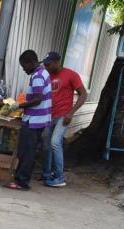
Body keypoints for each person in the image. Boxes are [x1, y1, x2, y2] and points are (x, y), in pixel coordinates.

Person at [5, 50, 52, 191]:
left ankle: (21, 181)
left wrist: (19, 105)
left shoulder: (37, 76)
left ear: (31, 62)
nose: (23, 69)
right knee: (28, 151)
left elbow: (37, 99)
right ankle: (21, 179)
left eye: (24, 65)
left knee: (27, 152)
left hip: (34, 119)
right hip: (39, 119)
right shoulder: (43, 72)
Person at [40, 51, 87, 187]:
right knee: (46, 143)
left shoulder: (71, 75)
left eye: (48, 64)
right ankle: (47, 174)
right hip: (49, 115)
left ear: (56, 62)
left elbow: (83, 94)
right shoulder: (47, 75)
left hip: (63, 115)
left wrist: (71, 113)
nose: (46, 67)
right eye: (45, 64)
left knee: (55, 142)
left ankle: (60, 177)